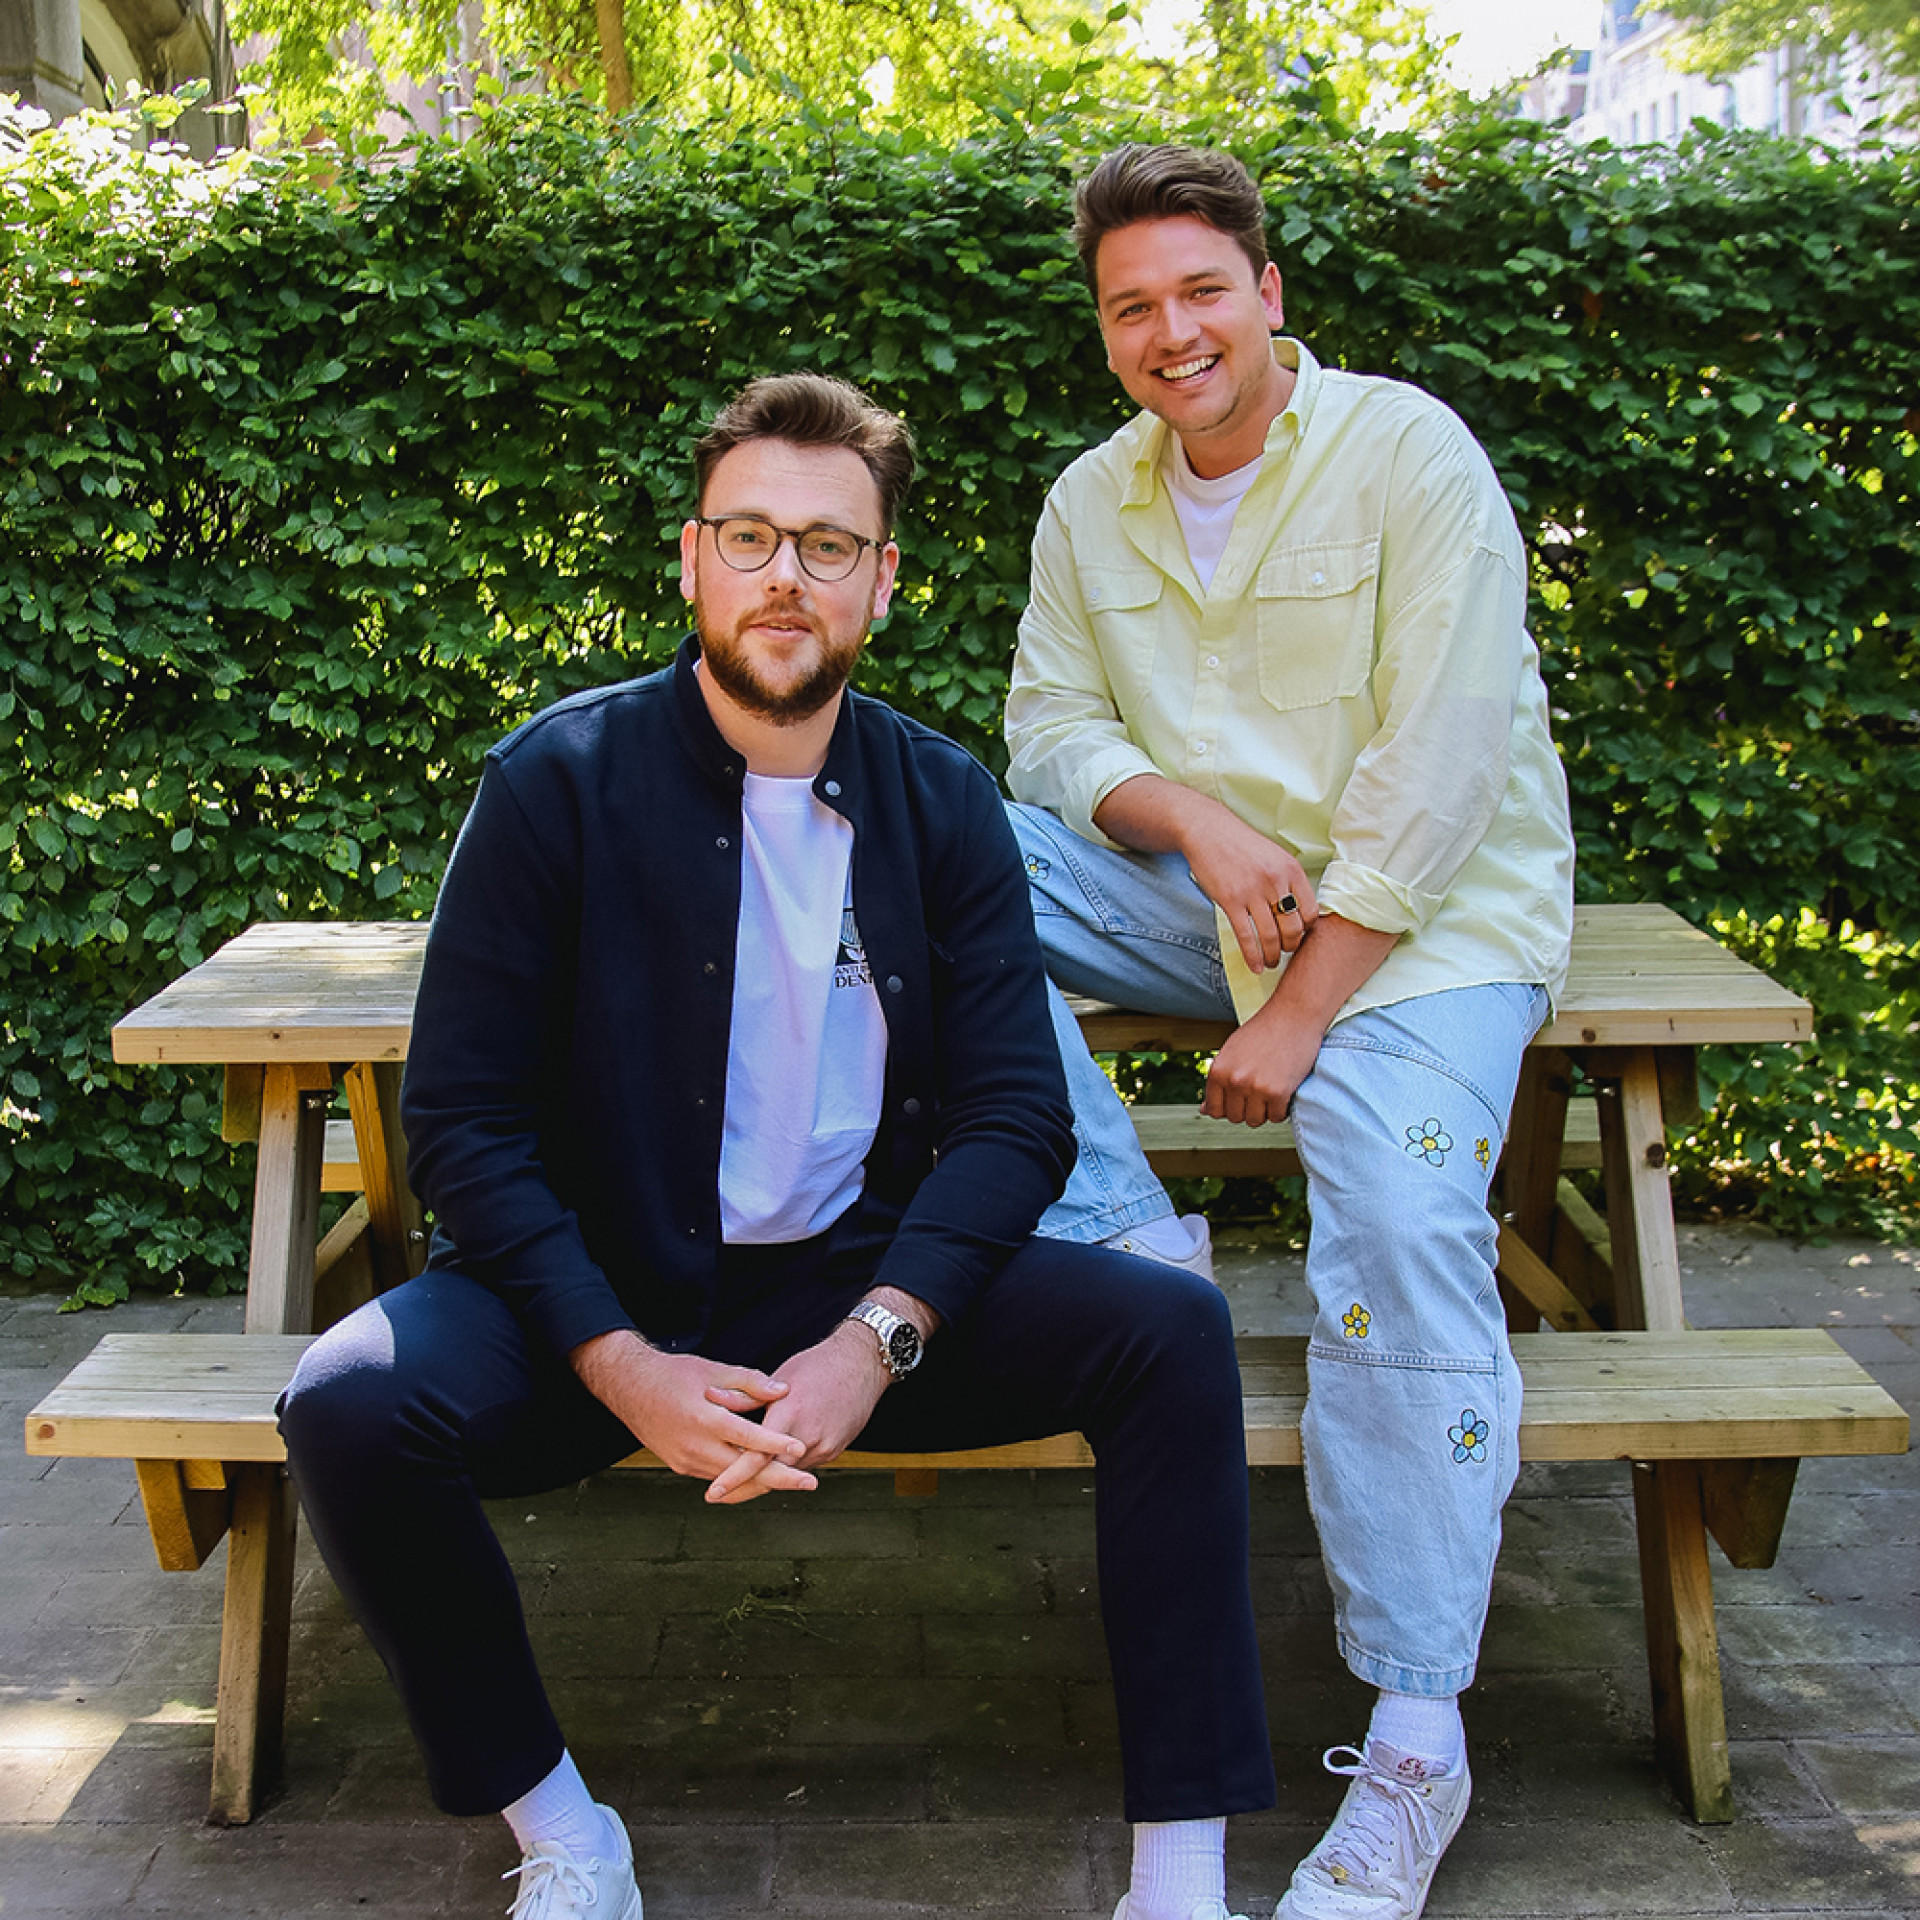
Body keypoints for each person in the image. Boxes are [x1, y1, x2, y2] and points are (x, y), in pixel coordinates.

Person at [278, 372, 1275, 1920]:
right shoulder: (555, 783)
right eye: (749, 537)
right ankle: (562, 1831)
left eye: (828, 545)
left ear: (883, 580)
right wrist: (619, 1362)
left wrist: (877, 1341)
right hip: (602, 1292)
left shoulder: (942, 802)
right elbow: (463, 1121)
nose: (785, 577)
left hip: (852, 1289)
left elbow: (1017, 1114)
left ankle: (1181, 1878)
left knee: (1172, 1334)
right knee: (347, 1402)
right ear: (693, 560)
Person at [1006, 146, 1577, 1920]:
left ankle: (1416, 1739)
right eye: (1132, 308)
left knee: (1397, 1219)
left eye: (1200, 290)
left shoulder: (1411, 452)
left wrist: (1306, 1008)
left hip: (1423, 930)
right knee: (930, 849)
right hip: (1212, 903)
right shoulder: (1090, 501)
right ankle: (1129, 1238)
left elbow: (1446, 765)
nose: (1171, 332)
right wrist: (1195, 824)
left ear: (1266, 292)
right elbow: (1046, 730)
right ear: (1107, 333)